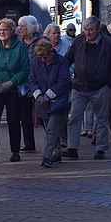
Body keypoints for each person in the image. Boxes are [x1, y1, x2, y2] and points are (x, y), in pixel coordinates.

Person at [64, 16, 111, 160]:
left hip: (100, 87)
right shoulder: (78, 41)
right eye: (85, 29)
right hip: (79, 87)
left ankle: (101, 149)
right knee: (74, 118)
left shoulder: (109, 44)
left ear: (97, 30)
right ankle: (72, 148)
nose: (88, 32)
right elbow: (68, 59)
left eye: (91, 30)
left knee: (102, 119)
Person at [0, 18, 30, 162]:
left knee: (14, 120)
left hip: (12, 88)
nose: (1, 32)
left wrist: (11, 82)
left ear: (12, 31)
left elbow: (25, 70)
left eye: (5, 29)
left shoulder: (20, 47)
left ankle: (15, 151)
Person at [28, 38, 71, 168]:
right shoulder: (36, 61)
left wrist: (48, 94)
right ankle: (57, 152)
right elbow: (32, 80)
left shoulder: (61, 62)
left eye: (45, 57)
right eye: (40, 57)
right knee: (49, 129)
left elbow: (63, 82)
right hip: (42, 102)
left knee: (52, 130)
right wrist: (38, 94)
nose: (43, 60)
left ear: (51, 52)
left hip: (58, 101)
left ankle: (47, 156)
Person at [16, 15, 41, 152]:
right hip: (23, 82)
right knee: (24, 115)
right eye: (19, 26)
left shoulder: (41, 41)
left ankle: (55, 142)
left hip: (38, 82)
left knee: (43, 114)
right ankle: (29, 143)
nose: (20, 29)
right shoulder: (18, 42)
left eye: (23, 26)